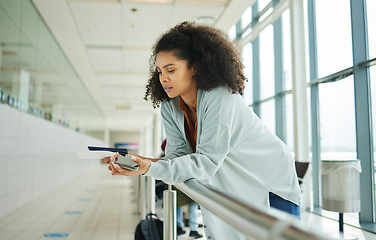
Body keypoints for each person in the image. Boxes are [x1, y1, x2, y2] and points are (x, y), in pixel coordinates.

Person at [106, 21, 301, 240]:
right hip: (231, 184)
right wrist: (138, 163)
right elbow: (177, 157)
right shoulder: (170, 106)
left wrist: (148, 167)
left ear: (195, 66)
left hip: (268, 182)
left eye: (171, 70)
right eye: (160, 71)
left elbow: (205, 163)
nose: (163, 78)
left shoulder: (220, 97)